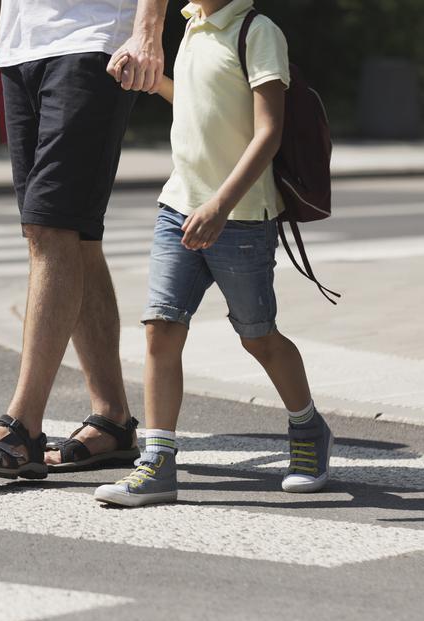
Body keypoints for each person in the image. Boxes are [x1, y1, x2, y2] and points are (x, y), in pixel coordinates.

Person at [0, 0, 169, 480]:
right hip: (19, 50)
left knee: (50, 229)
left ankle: (22, 427)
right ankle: (113, 420)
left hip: (92, 44)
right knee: (74, 236)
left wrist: (147, 30)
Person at [94, 0, 334, 506]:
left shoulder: (258, 32)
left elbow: (268, 133)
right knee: (161, 327)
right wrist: (147, 79)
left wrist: (220, 206)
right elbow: (196, 105)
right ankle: (158, 463)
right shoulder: (192, 26)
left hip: (240, 218)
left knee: (258, 337)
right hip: (177, 206)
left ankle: (308, 430)